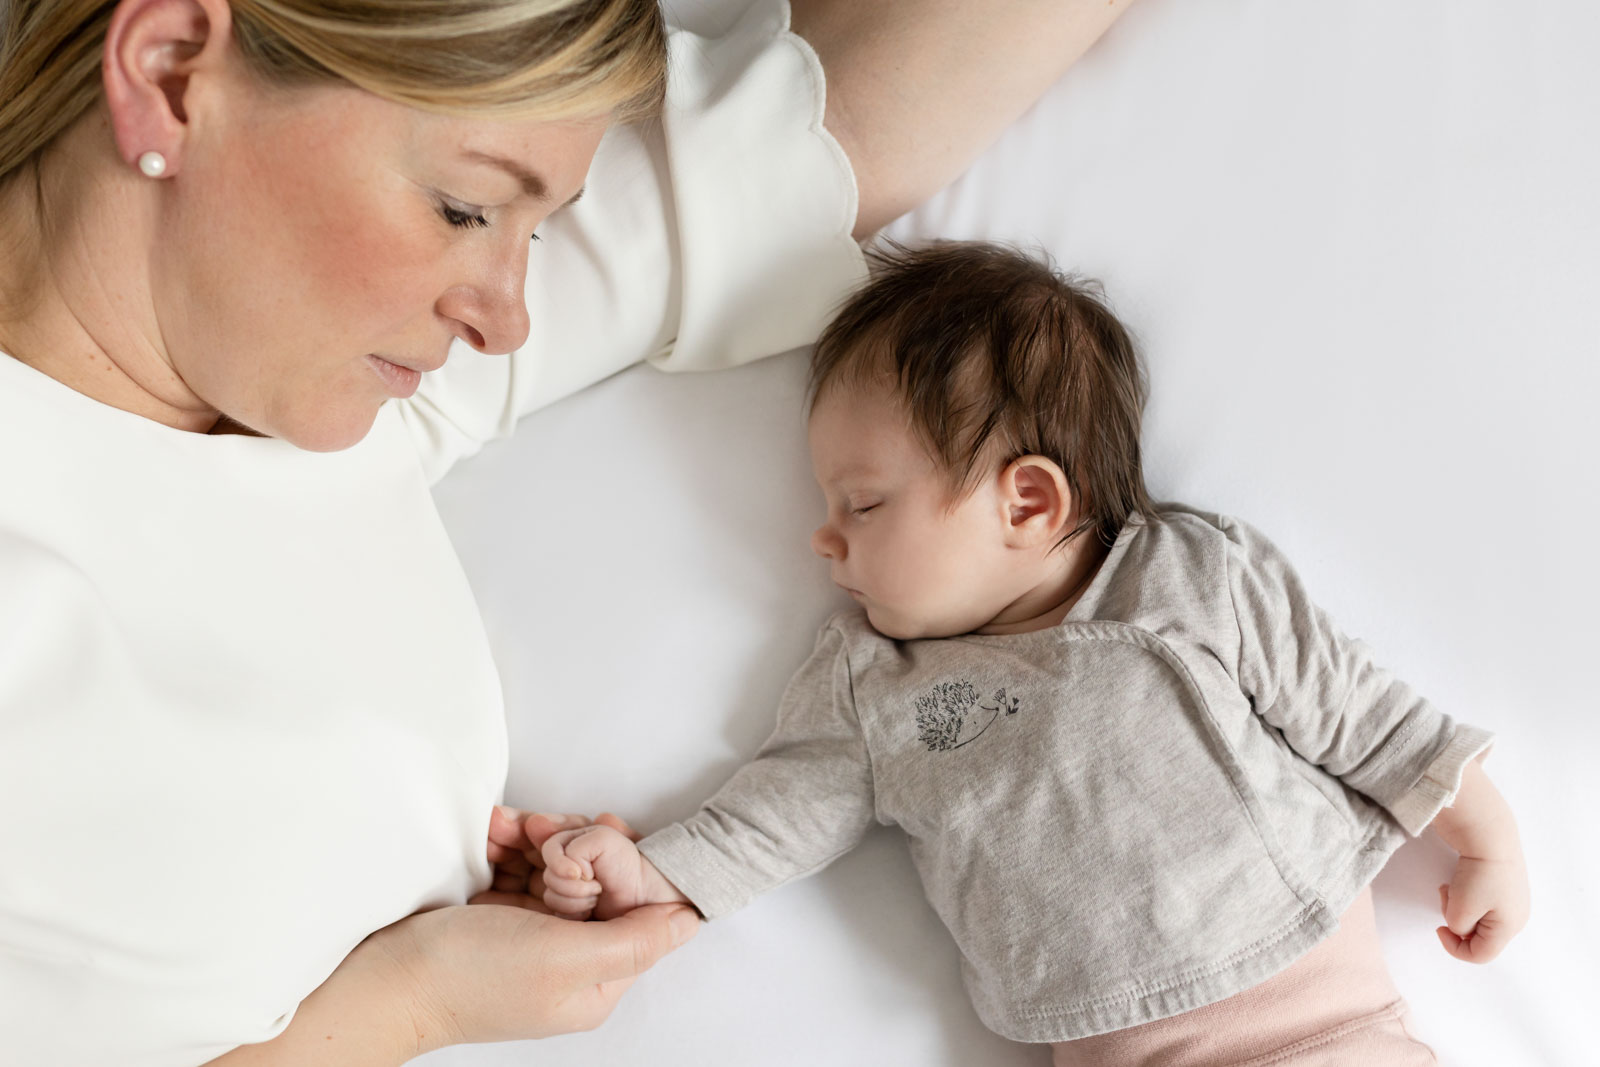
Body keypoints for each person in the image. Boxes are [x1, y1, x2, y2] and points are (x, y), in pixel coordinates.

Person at [0, 0, 1136, 1062]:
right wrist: (403, 1004)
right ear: (167, 71)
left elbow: (815, 137)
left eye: (535, 234)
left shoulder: (333, 392)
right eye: (465, 208)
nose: (505, 317)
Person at [535, 242, 1532, 1064]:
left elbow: (1356, 708)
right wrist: (653, 869)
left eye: (864, 502)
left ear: (1029, 501)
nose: (823, 537)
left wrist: (1484, 837)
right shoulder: (874, 685)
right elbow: (775, 812)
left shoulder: (1187, 573)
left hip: (1327, 1028)